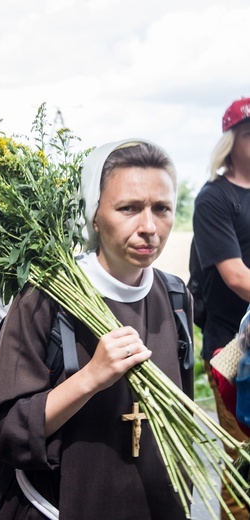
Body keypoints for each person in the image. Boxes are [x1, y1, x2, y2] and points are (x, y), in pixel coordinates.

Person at [0, 139, 194, 520]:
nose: (148, 227)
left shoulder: (176, 297)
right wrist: (90, 377)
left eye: (161, 209)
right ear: (93, 214)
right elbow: (3, 432)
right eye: (128, 208)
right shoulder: (45, 296)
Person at [192, 96, 250, 520]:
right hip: (232, 352)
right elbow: (237, 277)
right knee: (244, 459)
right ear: (231, 141)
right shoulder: (215, 199)